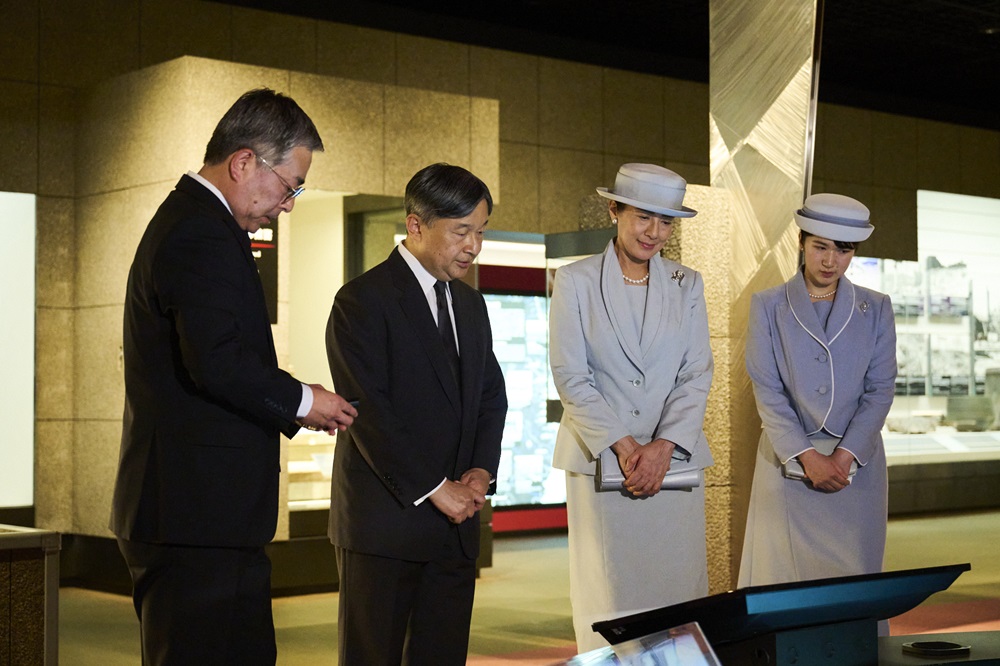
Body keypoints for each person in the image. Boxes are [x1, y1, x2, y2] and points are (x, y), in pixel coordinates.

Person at [110, 88, 357, 665]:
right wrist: (303, 400)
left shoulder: (201, 227)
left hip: (202, 515)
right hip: (192, 516)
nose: (291, 203)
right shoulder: (199, 233)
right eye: (290, 184)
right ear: (245, 162)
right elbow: (217, 361)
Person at [325, 162, 508, 665]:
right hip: (385, 526)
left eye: (481, 232)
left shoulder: (471, 306)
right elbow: (368, 411)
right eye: (461, 231)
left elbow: (491, 396)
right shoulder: (362, 300)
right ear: (416, 225)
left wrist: (479, 471)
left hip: (456, 528)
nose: (473, 246)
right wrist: (435, 487)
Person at [549, 163, 714, 653]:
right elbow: (571, 377)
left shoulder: (688, 283)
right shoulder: (575, 281)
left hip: (674, 469)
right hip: (601, 463)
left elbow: (696, 372)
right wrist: (626, 447)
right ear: (614, 209)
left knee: (679, 598)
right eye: (644, 217)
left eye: (666, 222)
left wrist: (662, 446)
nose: (655, 233)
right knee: (610, 599)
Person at [739, 193, 897, 589]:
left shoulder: (876, 307)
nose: (831, 261)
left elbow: (880, 390)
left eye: (843, 251)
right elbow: (767, 389)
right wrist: (808, 457)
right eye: (820, 247)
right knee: (785, 583)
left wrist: (843, 457)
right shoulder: (768, 305)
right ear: (801, 243)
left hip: (856, 468)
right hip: (788, 462)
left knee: (854, 583)